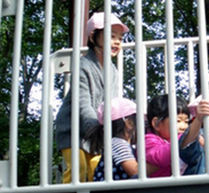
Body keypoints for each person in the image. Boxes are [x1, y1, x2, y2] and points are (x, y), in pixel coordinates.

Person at [55, 12, 129, 183]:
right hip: (74, 129)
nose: (117, 41)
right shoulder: (83, 65)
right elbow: (83, 103)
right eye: (111, 36)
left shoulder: (113, 72)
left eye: (120, 38)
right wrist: (96, 128)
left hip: (97, 133)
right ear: (93, 37)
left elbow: (113, 104)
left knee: (98, 168)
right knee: (78, 168)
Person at [83, 97, 138, 181]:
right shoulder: (118, 144)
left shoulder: (124, 144)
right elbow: (135, 171)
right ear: (129, 123)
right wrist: (160, 161)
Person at [145, 95, 192, 177]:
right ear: (156, 123)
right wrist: (184, 138)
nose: (183, 127)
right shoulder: (149, 140)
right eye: (178, 121)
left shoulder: (175, 138)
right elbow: (161, 158)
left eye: (186, 122)